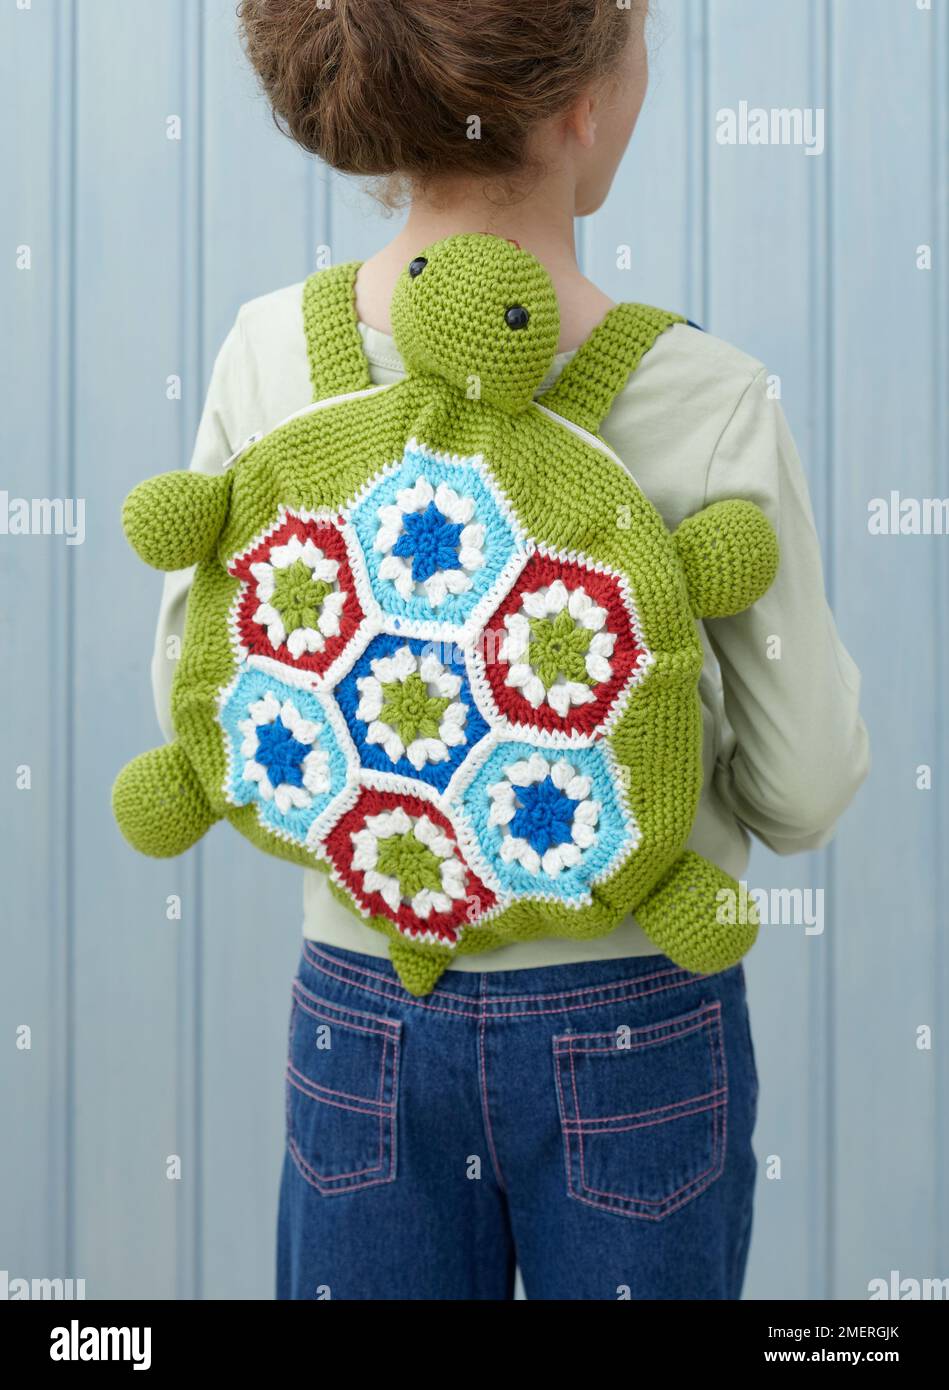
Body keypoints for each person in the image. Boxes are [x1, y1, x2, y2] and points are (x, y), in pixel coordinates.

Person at [151, 0, 869, 1299]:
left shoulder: (268, 355)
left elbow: (195, 699)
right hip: (636, 1023)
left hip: (363, 1014)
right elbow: (803, 786)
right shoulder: (707, 399)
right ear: (585, 102)